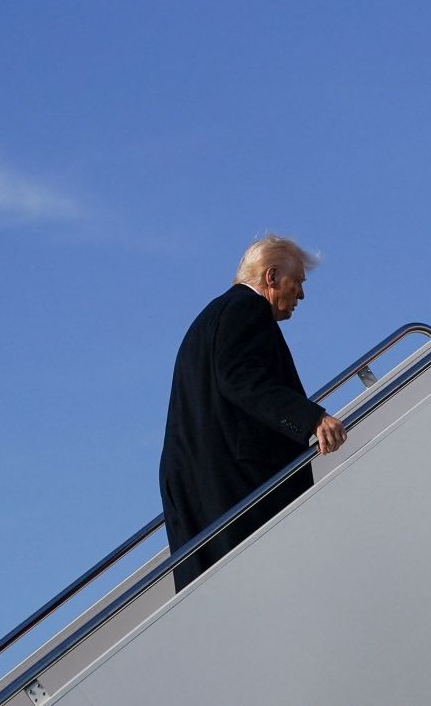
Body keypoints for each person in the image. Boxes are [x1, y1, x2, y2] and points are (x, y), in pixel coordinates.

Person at [158, 234, 347, 591]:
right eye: (298, 283)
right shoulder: (246, 309)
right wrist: (312, 419)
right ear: (272, 277)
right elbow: (241, 378)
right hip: (237, 485)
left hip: (203, 487)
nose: (302, 295)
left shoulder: (213, 316)